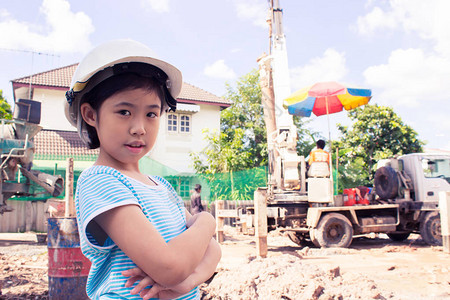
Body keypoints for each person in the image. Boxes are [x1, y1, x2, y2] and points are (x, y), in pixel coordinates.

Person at [66, 39, 221, 299]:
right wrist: (207, 221)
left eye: (151, 114)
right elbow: (169, 267)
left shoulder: (162, 186)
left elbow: (214, 252)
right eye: (124, 111)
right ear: (91, 115)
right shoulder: (100, 181)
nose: (139, 127)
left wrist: (186, 282)